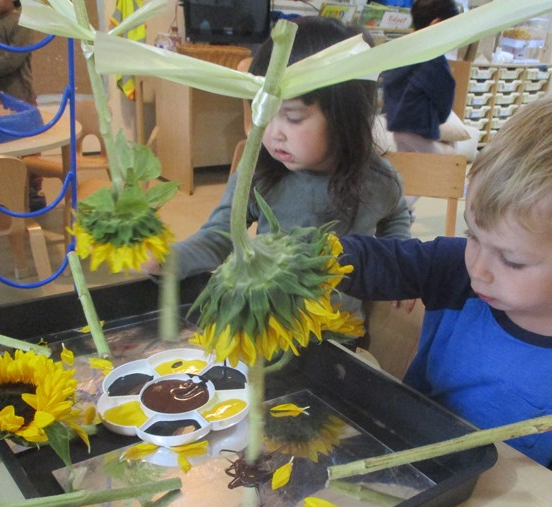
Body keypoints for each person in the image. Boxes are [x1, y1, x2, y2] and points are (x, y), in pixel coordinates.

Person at [336, 88, 552, 497]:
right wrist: (313, 260)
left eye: (513, 260)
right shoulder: (455, 268)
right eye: (473, 235)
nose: (480, 271)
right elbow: (375, 262)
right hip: (409, 470)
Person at [145, 17, 413, 322]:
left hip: (339, 333)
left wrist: (399, 265)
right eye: (264, 112)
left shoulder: (378, 180)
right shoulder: (257, 173)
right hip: (267, 324)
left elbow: (395, 216)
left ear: (346, 117)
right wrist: (168, 261)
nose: (272, 133)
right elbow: (219, 237)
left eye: (293, 117)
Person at [379, 0, 460, 155]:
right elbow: (444, 95)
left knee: (408, 164)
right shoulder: (433, 58)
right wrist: (440, 118)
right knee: (431, 168)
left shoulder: (402, 52)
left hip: (398, 125)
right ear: (437, 24)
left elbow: (388, 85)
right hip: (421, 128)